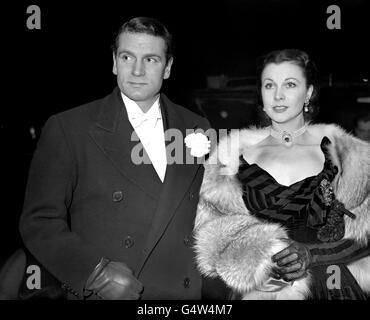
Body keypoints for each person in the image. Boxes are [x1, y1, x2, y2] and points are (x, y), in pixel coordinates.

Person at [16, 16, 210, 300]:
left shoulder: (198, 127)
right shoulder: (70, 128)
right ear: (114, 62)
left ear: (167, 68)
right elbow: (38, 221)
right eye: (127, 56)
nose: (137, 70)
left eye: (151, 59)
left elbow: (212, 212)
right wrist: (92, 272)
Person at [194, 49, 370, 299]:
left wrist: (311, 254)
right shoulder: (230, 159)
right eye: (269, 85)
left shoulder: (349, 155)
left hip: (331, 288)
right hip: (261, 290)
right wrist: (260, 251)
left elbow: (366, 233)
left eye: (290, 84)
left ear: (308, 92)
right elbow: (211, 240)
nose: (278, 95)